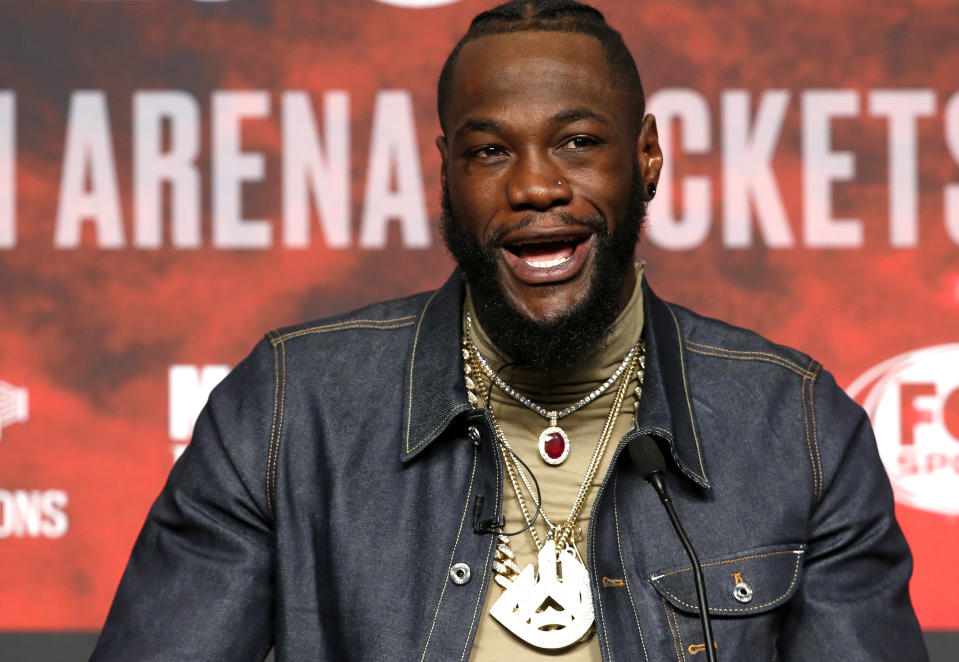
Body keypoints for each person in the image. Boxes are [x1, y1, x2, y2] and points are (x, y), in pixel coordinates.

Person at [92, 1, 928, 660]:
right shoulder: (285, 408)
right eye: (490, 151)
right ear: (446, 172)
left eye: (576, 142)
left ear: (645, 158)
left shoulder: (797, 425)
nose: (534, 185)